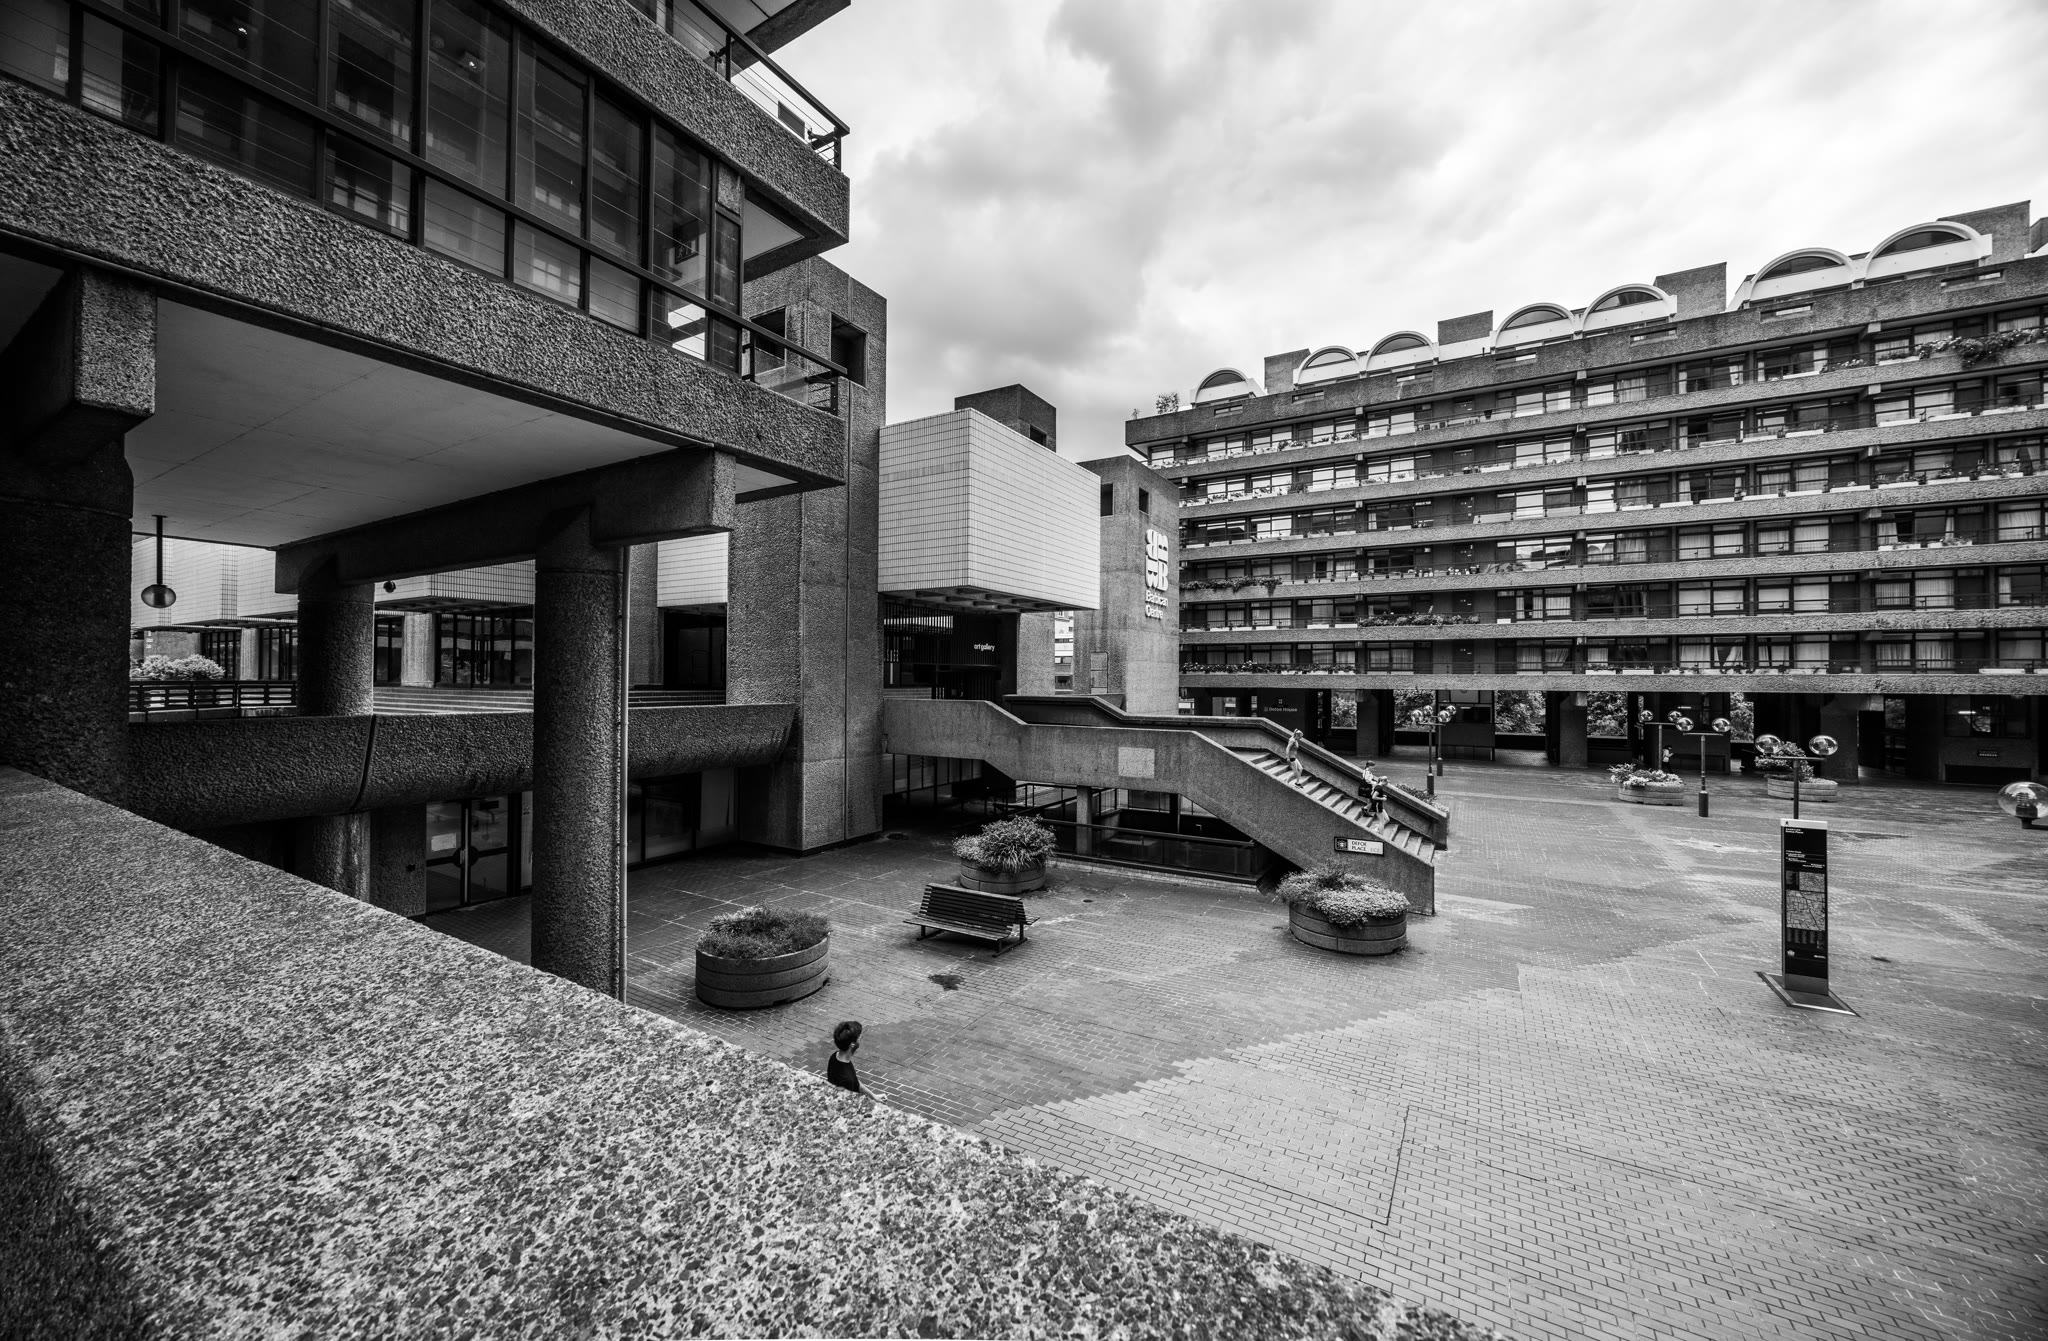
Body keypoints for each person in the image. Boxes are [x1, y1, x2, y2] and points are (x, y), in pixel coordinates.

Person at [827, 1020, 866, 1095]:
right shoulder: (846, 1080)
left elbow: (855, 1082)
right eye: (859, 1037)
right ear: (852, 1044)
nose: (861, 1037)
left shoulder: (835, 1056)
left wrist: (874, 1096)